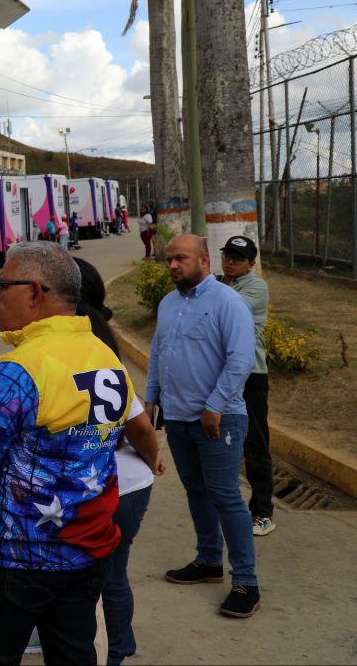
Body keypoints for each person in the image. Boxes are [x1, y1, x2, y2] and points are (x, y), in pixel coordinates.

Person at [0, 243, 135, 665]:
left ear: (35, 293)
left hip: (15, 557)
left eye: (1, 287)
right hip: (87, 550)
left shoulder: (18, 370)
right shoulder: (104, 356)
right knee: (74, 654)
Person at [146, 235, 259, 619]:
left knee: (225, 496)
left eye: (181, 258)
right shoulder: (169, 303)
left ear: (204, 261)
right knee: (196, 491)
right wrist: (151, 399)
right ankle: (208, 560)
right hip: (178, 417)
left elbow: (240, 359)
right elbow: (159, 352)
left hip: (219, 418)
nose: (173, 265)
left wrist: (214, 406)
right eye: (169, 260)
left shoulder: (229, 302)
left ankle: (246, 581)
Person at [74, 258, 164, 666]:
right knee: (111, 575)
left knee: (101, 579)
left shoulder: (82, 349)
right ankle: (117, 648)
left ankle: (113, 651)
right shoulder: (101, 339)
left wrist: (152, 455)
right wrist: (151, 458)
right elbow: (138, 428)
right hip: (126, 482)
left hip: (106, 486)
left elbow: (138, 426)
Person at [218, 236, 274, 537]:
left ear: (251, 264)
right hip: (222, 376)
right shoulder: (218, 285)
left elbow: (222, 311)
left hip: (251, 376)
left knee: (255, 445)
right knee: (219, 441)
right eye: (227, 255)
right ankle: (225, 507)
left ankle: (263, 512)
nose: (230, 262)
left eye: (238, 258)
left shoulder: (255, 287)